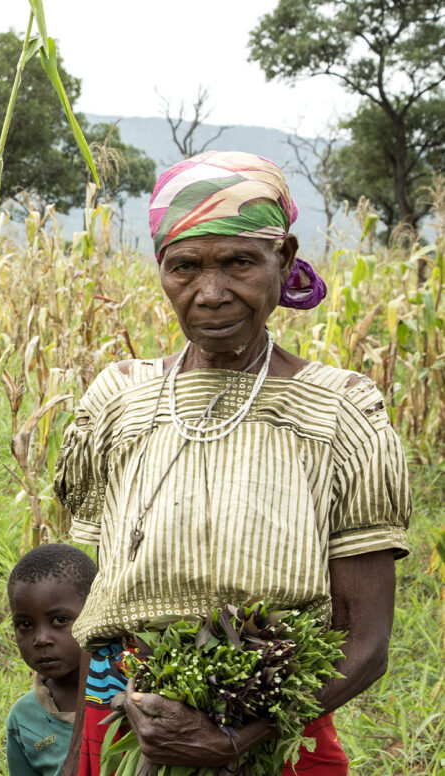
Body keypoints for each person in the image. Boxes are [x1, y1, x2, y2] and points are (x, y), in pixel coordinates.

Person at [54, 151, 411, 775]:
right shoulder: (117, 399)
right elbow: (94, 610)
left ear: (286, 257)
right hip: (126, 728)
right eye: (184, 267)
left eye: (240, 263)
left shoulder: (341, 411)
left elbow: (366, 641)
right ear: (160, 268)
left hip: (281, 732)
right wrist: (83, 751)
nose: (211, 293)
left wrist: (240, 736)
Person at [5, 544, 96, 776]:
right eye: (25, 625)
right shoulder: (23, 717)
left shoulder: (128, 690)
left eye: (60, 620)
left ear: (95, 612)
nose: (41, 639)